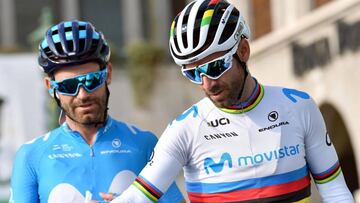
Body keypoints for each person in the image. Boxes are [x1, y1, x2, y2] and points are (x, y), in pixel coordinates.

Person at [111, 0, 354, 202]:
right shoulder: (185, 129)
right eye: (193, 73)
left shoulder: (299, 107)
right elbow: (136, 197)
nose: (207, 83)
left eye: (216, 66)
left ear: (244, 51)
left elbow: (335, 190)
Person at [10, 20, 184, 203]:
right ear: (50, 87)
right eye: (69, 86)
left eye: (92, 80)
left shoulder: (144, 144)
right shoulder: (30, 155)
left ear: (107, 74)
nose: (83, 95)